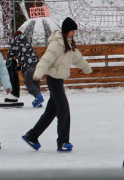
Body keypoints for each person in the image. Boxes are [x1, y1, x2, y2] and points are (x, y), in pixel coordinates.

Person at [22, 17, 92, 152]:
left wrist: (86, 67)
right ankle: (63, 142)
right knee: (64, 109)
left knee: (51, 111)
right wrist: (37, 74)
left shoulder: (69, 44)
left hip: (59, 80)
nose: (73, 33)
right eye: (72, 31)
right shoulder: (56, 44)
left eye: (74, 31)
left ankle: (32, 135)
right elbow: (46, 60)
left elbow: (78, 58)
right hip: (53, 80)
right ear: (66, 31)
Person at [6, 30, 43, 107]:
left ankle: (38, 96)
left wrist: (7, 66)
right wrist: (20, 66)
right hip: (37, 65)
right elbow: (29, 54)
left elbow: (10, 56)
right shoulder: (27, 43)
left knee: (28, 82)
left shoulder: (15, 43)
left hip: (28, 66)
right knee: (35, 82)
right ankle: (38, 100)